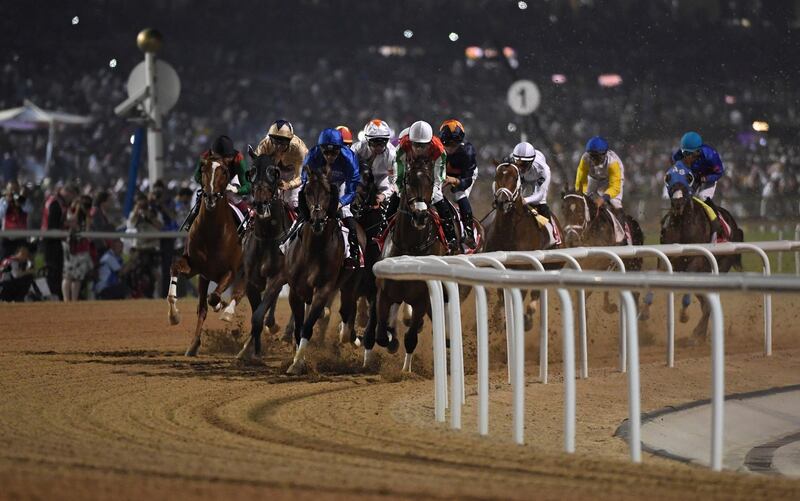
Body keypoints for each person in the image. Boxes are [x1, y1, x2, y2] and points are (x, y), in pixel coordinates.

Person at [291, 128, 361, 267]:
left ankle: (354, 252)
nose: (330, 156)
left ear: (340, 149)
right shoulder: (312, 156)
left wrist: (340, 203)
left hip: (339, 186)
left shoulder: (350, 159)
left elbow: (351, 190)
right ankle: (287, 242)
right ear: (320, 150)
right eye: (326, 152)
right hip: (317, 185)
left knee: (347, 216)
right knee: (302, 214)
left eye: (334, 152)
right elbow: (305, 185)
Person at [395, 120, 458, 252]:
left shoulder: (439, 151)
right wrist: (400, 190)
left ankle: (451, 237)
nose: (419, 149)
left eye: (423, 146)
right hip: (410, 175)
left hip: (430, 178)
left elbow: (438, 178)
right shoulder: (402, 147)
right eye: (416, 145)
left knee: (440, 201)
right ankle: (382, 231)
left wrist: (431, 196)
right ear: (410, 142)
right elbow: (399, 173)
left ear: (429, 144)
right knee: (395, 197)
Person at [184, 135, 252, 234]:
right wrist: (208, 184)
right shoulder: (205, 157)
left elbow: (248, 186)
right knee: (200, 200)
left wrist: (237, 190)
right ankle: (190, 223)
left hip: (231, 181)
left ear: (230, 156)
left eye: (225, 158)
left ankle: (247, 223)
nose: (221, 162)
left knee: (235, 198)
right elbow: (197, 176)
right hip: (211, 183)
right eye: (217, 158)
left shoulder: (238, 158)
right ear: (212, 153)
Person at [672, 131, 725, 240]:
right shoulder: (679, 154)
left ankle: (716, 227)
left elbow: (719, 172)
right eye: (685, 153)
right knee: (680, 196)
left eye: (689, 154)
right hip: (693, 177)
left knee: (701, 197)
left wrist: (705, 178)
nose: (686, 157)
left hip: (708, 178)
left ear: (698, 151)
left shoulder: (710, 155)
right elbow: (675, 163)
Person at [510, 141, 559, 246]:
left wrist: (525, 200)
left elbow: (540, 195)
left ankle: (553, 236)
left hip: (537, 180)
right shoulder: (512, 163)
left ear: (531, 162)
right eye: (517, 163)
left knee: (541, 204)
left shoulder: (543, 169)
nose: (519, 168)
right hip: (522, 180)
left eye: (523, 165)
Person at [254, 119, 308, 212]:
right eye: (275, 141)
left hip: (293, 175)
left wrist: (288, 185)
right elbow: (258, 168)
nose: (278, 147)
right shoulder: (265, 144)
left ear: (290, 141)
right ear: (270, 138)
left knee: (292, 202)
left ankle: (298, 222)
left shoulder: (300, 149)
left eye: (282, 143)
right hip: (272, 173)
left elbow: (301, 176)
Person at [439, 119, 477, 248]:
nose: (450, 149)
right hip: (445, 175)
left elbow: (467, 180)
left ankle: (469, 232)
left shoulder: (467, 152)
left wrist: (454, 181)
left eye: (454, 145)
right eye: (448, 145)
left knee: (459, 194)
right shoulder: (438, 149)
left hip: (465, 175)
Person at [575, 136, 626, 224]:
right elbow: (581, 182)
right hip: (594, 178)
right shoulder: (585, 159)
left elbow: (615, 187)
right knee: (585, 201)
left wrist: (602, 199)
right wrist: (580, 196)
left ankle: (624, 233)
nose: (594, 160)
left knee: (615, 203)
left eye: (597, 157)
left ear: (604, 154)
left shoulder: (613, 163)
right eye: (592, 156)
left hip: (611, 180)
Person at [350, 119, 397, 207]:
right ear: (367, 140)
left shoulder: (393, 153)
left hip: (383, 183)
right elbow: (350, 172)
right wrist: (355, 189)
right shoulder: (356, 149)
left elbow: (395, 180)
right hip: (361, 181)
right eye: (375, 142)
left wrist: (384, 195)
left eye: (382, 142)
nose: (379, 147)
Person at [41, 183, 77, 299]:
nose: (72, 200)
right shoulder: (56, 203)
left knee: (55, 270)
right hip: (52, 241)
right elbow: (53, 225)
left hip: (53, 241)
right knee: (54, 270)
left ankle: (55, 295)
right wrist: (67, 224)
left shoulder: (56, 201)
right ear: (68, 193)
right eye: (72, 196)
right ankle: (52, 296)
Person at [62, 195, 95, 302]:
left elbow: (88, 234)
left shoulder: (87, 217)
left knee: (78, 278)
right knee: (68, 276)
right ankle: (66, 300)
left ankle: (74, 300)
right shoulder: (70, 213)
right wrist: (76, 210)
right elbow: (70, 223)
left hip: (82, 250)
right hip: (70, 249)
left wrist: (86, 217)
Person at [0, 181, 32, 258]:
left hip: (21, 237)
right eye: (10, 189)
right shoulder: (3, 201)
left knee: (22, 262)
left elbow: (29, 209)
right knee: (5, 261)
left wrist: (21, 201)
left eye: (15, 189)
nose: (13, 192)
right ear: (7, 190)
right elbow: (1, 214)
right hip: (7, 237)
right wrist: (7, 202)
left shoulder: (24, 200)